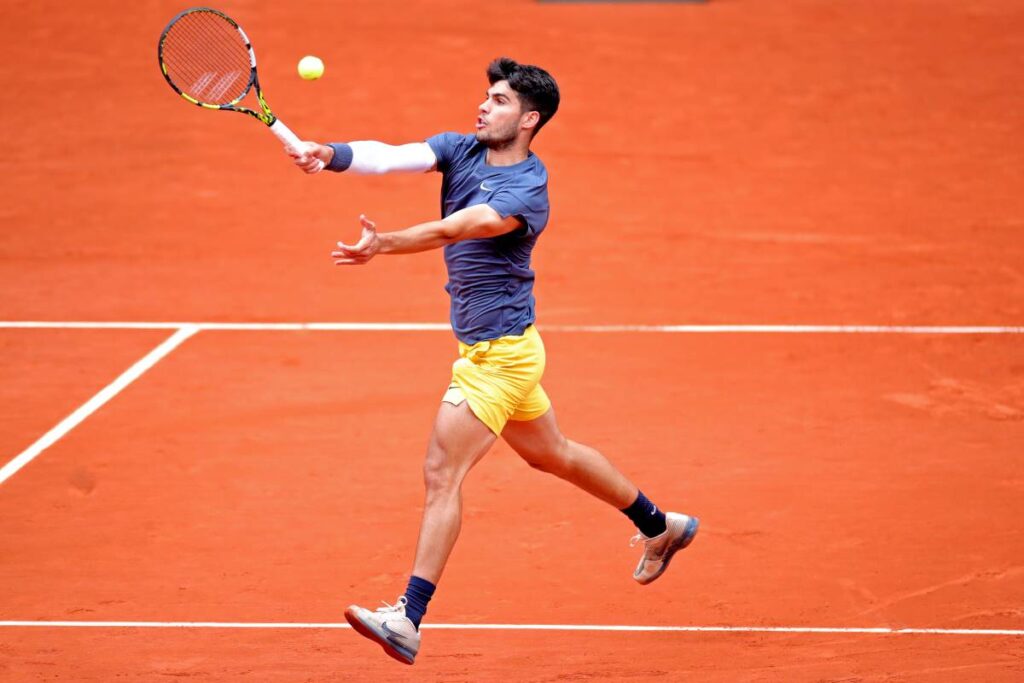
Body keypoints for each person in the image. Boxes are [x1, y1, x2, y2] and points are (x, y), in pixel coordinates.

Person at [290, 57, 698, 666]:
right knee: (550, 454)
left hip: (498, 357)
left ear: (530, 119)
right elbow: (393, 154)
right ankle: (660, 523)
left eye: (500, 101)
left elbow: (463, 225)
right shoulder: (460, 148)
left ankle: (408, 618)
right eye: (486, 96)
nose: (484, 106)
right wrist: (331, 152)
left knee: (441, 473)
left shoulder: (527, 190)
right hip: (506, 346)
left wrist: (388, 243)